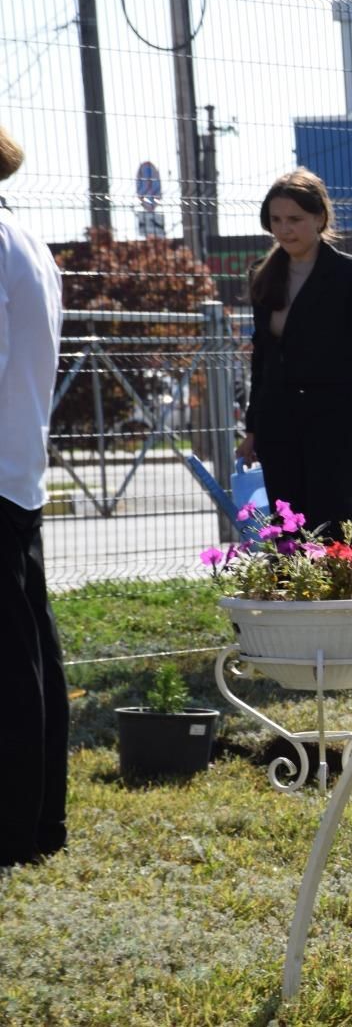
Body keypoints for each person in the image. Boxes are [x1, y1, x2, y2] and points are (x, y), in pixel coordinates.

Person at [237, 169, 352, 542]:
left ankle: (342, 582)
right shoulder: (262, 274)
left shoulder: (351, 275)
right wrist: (252, 429)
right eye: (276, 220)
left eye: (295, 219)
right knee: (286, 527)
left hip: (336, 419)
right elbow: (262, 359)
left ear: (319, 218)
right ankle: (290, 582)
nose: (285, 229)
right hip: (278, 420)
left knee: (333, 523)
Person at [0, 124, 67, 868]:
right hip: (17, 468)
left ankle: (13, 828)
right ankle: (41, 818)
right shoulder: (28, 240)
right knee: (32, 649)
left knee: (11, 663)